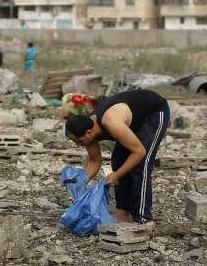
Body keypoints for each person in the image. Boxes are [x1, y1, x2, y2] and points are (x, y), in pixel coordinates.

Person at [65, 89, 169, 223]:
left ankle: (142, 218)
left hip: (153, 112)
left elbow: (139, 152)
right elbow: (95, 162)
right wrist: (80, 180)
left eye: (79, 142)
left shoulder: (111, 123)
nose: (79, 145)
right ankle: (123, 212)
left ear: (88, 133)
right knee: (118, 162)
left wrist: (116, 176)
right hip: (130, 120)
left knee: (141, 165)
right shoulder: (87, 131)